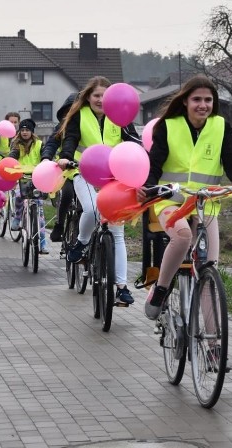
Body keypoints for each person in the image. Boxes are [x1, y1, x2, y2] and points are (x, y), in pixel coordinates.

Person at [137, 74, 232, 321]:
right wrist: (147, 186)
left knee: (209, 269)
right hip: (171, 200)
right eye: (197, 99)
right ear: (185, 101)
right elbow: (154, 164)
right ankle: (161, 289)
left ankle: (214, 345)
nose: (203, 105)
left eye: (208, 100)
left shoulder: (220, 127)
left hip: (205, 203)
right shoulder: (168, 126)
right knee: (182, 237)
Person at [56, 76, 141, 306]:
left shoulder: (119, 116)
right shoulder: (78, 115)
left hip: (114, 177)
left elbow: (133, 140)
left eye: (105, 96)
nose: (101, 100)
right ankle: (82, 242)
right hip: (83, 171)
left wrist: (142, 155)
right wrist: (65, 156)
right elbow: (70, 140)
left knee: (117, 232)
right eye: (96, 96)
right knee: (93, 209)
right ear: (88, 97)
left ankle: (122, 288)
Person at [8, 119, 49, 254]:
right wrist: (9, 162)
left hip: (38, 177)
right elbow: (13, 156)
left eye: (27, 130)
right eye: (23, 130)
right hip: (22, 177)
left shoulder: (39, 144)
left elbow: (45, 156)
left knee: (40, 213)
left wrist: (46, 161)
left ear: (32, 132)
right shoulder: (16, 144)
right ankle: (18, 217)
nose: (25, 132)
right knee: (20, 195)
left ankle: (42, 244)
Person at [42, 93, 77, 243]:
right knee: (67, 194)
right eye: (69, 110)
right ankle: (60, 225)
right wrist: (46, 157)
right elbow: (51, 143)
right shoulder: (61, 126)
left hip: (87, 170)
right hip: (66, 170)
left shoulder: (89, 123)